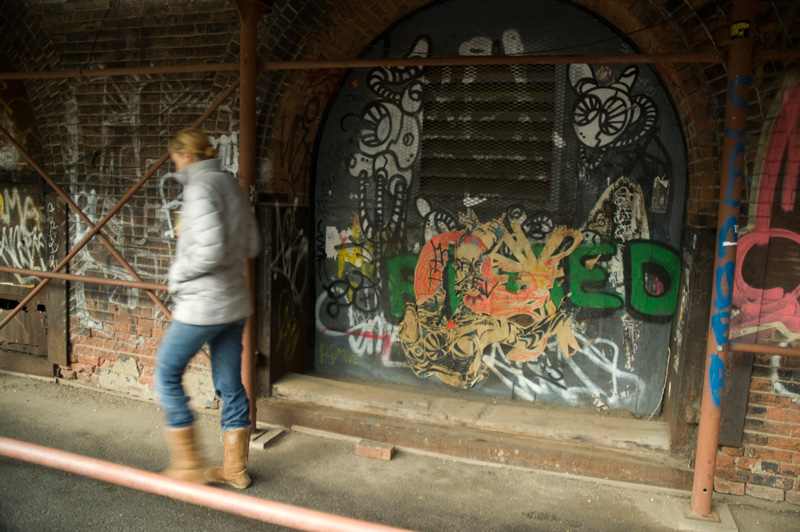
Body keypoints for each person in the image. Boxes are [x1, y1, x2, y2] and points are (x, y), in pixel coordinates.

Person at [154, 129, 261, 489]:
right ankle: (235, 470)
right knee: (230, 383)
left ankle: (186, 465)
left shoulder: (199, 189)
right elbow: (252, 242)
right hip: (233, 303)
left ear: (187, 155)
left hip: (202, 305)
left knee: (166, 372)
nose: (175, 164)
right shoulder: (230, 185)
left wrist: (177, 273)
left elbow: (208, 251)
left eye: (176, 158)